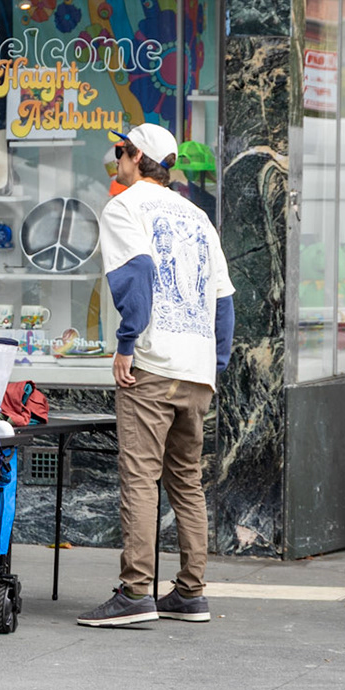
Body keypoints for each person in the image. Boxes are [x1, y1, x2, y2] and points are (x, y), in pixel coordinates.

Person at [78, 122, 236, 628]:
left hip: (152, 363)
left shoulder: (124, 207)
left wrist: (126, 345)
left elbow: (137, 275)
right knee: (187, 482)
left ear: (137, 156)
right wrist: (214, 365)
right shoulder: (199, 218)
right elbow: (224, 303)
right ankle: (190, 593)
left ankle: (135, 591)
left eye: (120, 150)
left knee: (141, 479)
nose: (115, 158)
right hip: (196, 369)